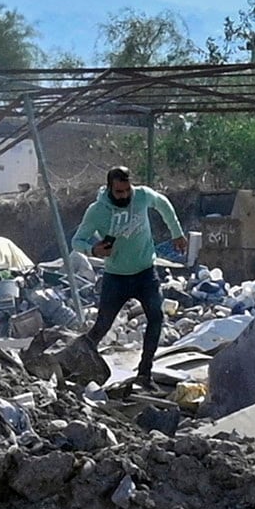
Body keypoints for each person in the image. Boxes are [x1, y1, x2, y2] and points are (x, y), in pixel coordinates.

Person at [71, 162, 184, 380]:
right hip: (116, 277)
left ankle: (144, 373)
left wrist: (176, 233)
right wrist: (93, 249)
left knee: (156, 317)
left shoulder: (141, 196)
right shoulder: (97, 211)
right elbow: (78, 240)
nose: (124, 196)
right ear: (110, 189)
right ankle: (74, 361)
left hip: (145, 273)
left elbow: (163, 204)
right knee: (102, 326)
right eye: (119, 192)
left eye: (126, 191)